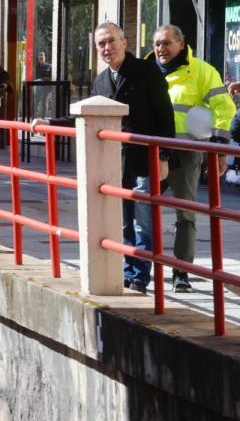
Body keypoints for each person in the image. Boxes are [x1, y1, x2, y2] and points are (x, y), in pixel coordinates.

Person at [147, 24, 237, 293]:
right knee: (139, 209)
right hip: (150, 151)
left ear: (181, 44)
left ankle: (181, 272)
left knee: (185, 214)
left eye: (166, 43)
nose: (161, 49)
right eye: (157, 44)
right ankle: (138, 268)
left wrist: (219, 149)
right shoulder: (146, 70)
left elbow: (224, 108)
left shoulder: (202, 71)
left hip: (185, 153)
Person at [92, 22, 175, 294]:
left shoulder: (145, 71)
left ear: (125, 42)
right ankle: (129, 269)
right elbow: (89, 119)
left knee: (142, 217)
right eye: (101, 43)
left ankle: (141, 274)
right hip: (115, 162)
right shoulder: (101, 81)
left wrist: (163, 155)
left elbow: (165, 114)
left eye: (111, 41)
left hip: (144, 157)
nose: (107, 48)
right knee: (123, 219)